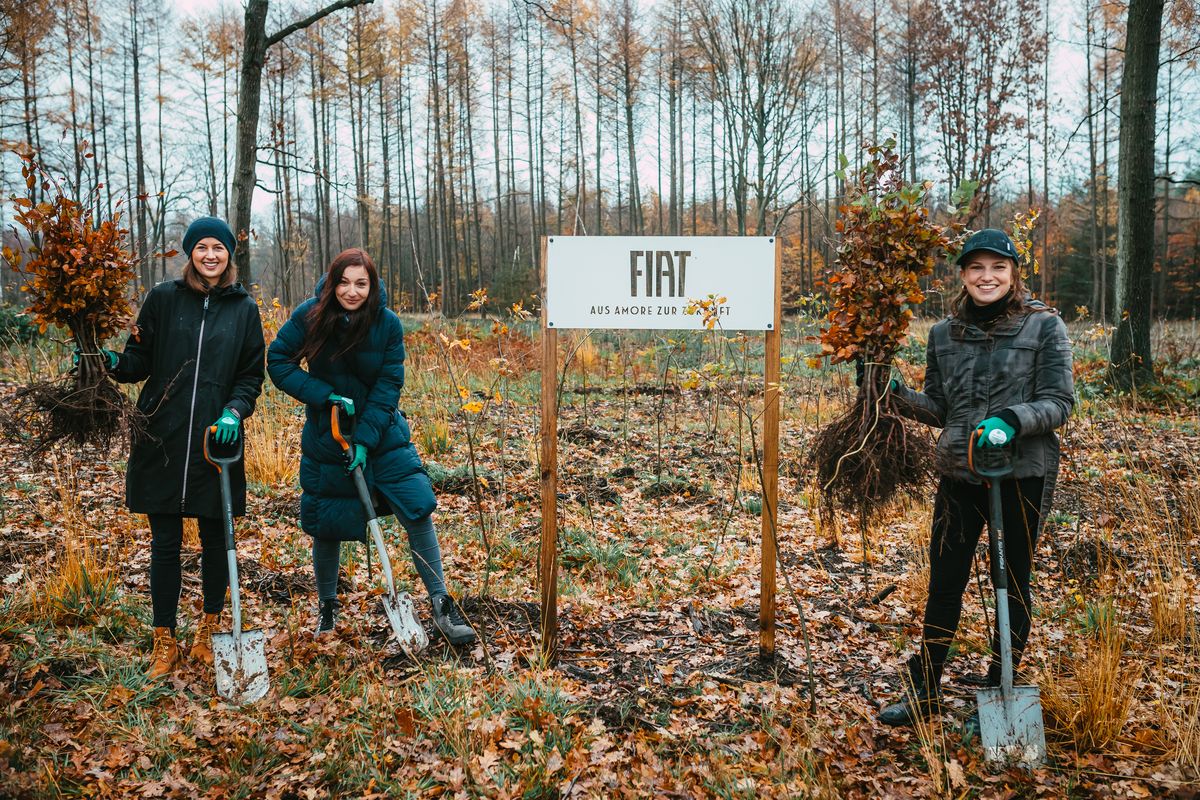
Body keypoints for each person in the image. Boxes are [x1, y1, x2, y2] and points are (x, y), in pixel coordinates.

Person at [877, 228, 1074, 733]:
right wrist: (893, 394)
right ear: (963, 276)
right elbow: (940, 406)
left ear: (1012, 273)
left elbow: (1059, 403)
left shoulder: (1043, 327)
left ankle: (999, 686)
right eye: (976, 269)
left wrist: (1012, 418)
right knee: (945, 581)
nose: (987, 277)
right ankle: (925, 690)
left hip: (1021, 473)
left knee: (1012, 581)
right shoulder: (944, 334)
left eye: (998, 268)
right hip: (960, 472)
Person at [266, 248, 475, 646]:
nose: (352, 291)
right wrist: (324, 395)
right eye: (344, 282)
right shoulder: (310, 316)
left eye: (361, 283)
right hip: (328, 435)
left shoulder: (387, 324)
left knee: (417, 508)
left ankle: (442, 603)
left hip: (382, 433)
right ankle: (327, 611)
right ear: (332, 281)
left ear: (372, 285)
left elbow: (388, 386)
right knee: (326, 522)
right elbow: (278, 361)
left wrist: (365, 439)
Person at [105, 216, 265, 679]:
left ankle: (209, 629)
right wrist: (112, 362)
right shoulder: (162, 299)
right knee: (165, 543)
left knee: (216, 537)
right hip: (163, 437)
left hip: (217, 443)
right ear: (189, 253)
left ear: (229, 254)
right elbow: (138, 361)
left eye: (219, 247)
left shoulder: (243, 309)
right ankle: (164, 639)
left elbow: (251, 375)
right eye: (202, 248)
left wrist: (234, 411)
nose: (210, 255)